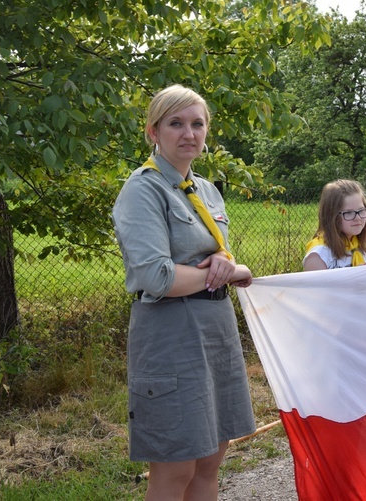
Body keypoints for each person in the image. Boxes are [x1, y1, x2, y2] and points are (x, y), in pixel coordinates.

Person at [112, 84, 256, 501]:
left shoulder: (207, 190)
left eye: (197, 124)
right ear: (154, 131)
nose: (188, 133)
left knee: (212, 458)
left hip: (216, 329)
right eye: (176, 123)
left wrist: (232, 269)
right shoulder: (143, 190)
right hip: (170, 334)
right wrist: (222, 274)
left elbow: (224, 260)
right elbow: (158, 277)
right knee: (177, 466)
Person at [303, 179, 366, 271]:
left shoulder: (362, 247)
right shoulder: (319, 255)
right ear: (332, 216)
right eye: (349, 213)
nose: (358, 218)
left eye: (361, 210)